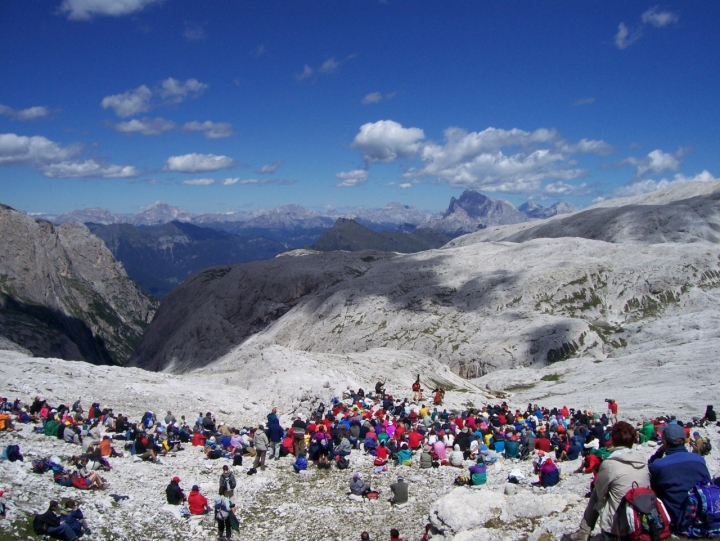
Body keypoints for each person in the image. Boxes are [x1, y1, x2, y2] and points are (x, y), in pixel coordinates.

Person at [569, 421, 650, 541]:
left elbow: (601, 494)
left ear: (613, 440)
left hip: (618, 527)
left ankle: (584, 532)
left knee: (596, 492)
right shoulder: (642, 461)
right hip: (642, 518)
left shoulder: (610, 464)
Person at [648, 423, 710, 527]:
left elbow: (649, 468)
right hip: (701, 514)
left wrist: (659, 451)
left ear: (665, 442)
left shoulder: (658, 465)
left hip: (675, 518)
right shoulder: (699, 460)